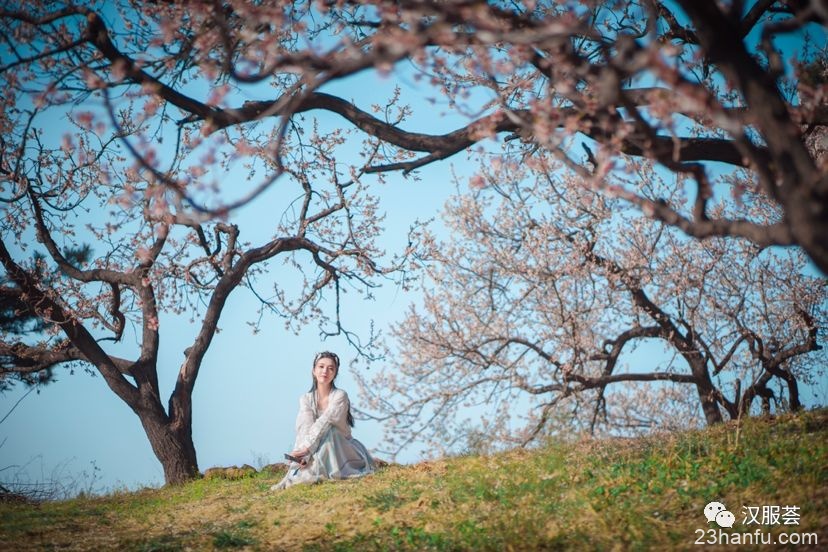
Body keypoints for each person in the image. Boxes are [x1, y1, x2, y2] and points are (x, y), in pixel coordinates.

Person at [272, 351, 375, 490]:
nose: (325, 371)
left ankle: (308, 476)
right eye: (321, 366)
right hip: (315, 446)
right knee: (315, 438)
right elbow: (305, 427)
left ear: (335, 374)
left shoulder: (340, 395)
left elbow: (325, 422)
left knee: (330, 432)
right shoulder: (306, 399)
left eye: (330, 368)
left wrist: (307, 450)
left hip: (342, 448)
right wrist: (301, 453)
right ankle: (297, 475)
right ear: (314, 370)